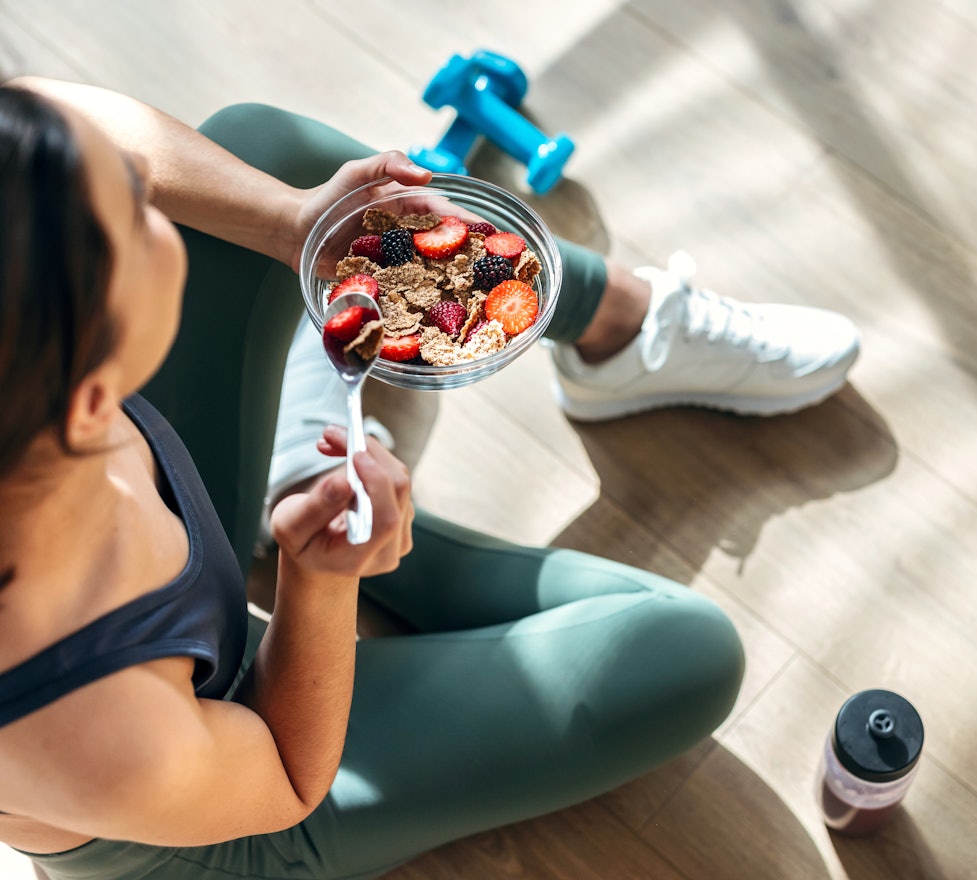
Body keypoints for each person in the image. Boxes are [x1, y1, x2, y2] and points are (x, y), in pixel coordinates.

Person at [0, 76, 761, 880]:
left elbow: (57, 121)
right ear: (94, 397)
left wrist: (295, 222)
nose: (146, 195)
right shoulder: (90, 734)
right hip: (230, 781)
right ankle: (316, 515)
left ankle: (611, 327)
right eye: (133, 218)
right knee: (687, 648)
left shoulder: (34, 406)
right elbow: (287, 777)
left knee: (269, 151)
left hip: (166, 562)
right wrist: (322, 581)